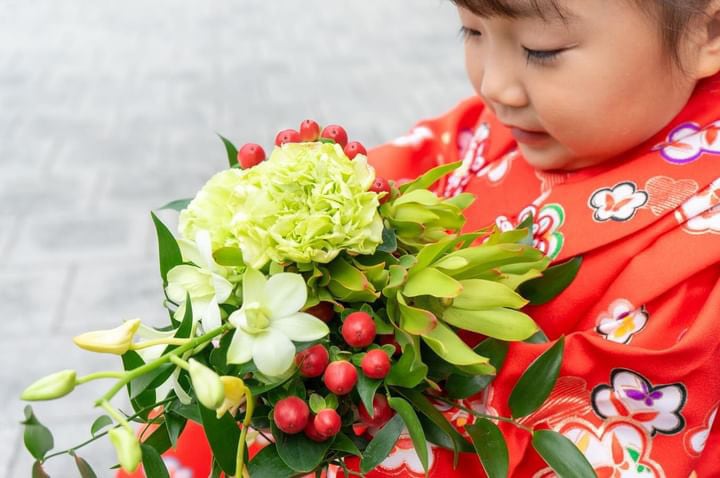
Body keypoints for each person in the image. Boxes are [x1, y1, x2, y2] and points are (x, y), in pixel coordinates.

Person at [122, 0, 720, 476]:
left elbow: (605, 439)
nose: (495, 86)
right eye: (472, 31)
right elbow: (403, 172)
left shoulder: (700, 259)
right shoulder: (511, 127)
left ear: (708, 32)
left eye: (542, 50)